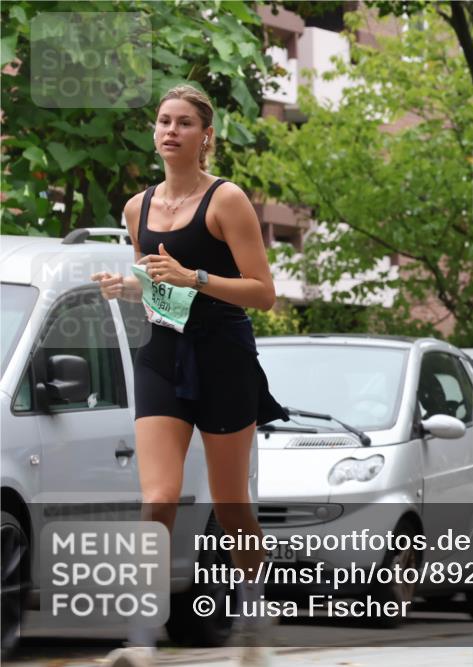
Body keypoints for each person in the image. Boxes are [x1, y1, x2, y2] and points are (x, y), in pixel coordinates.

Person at [92, 85, 288, 666]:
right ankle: (141, 636)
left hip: (224, 355)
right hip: (162, 353)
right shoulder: (137, 208)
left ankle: (253, 603)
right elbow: (157, 288)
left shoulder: (226, 201)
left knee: (230, 504)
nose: (170, 131)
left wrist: (193, 276)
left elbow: (265, 294)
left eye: (183, 123)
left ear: (206, 136)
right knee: (158, 496)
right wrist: (128, 286)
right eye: (162, 121)